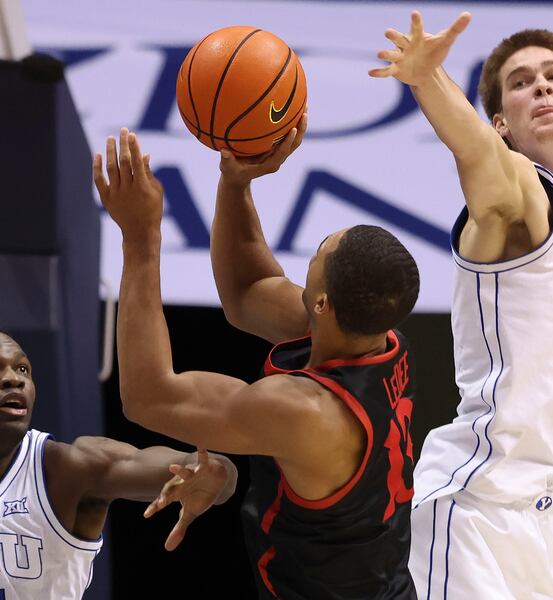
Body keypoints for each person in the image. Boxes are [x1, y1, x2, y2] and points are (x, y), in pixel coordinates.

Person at [370, 10, 553, 599]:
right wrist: (426, 79)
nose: (540, 85)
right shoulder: (519, 199)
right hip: (475, 510)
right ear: (501, 122)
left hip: (549, 518)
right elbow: (479, 157)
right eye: (519, 82)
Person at [94, 124, 421, 600]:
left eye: (316, 255)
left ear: (322, 303)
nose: (307, 260)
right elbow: (246, 292)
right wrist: (235, 181)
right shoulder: (376, 332)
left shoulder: (305, 413)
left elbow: (149, 396)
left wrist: (140, 240)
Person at [0, 326, 237, 599]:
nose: (13, 379)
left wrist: (208, 473)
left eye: (23, 370)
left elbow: (189, 467)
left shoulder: (70, 469)